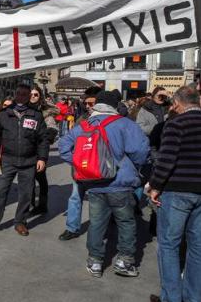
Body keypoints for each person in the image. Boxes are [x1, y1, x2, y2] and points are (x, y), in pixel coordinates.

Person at [60, 90, 149, 278]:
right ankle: (124, 261)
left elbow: (63, 147)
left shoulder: (83, 125)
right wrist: (130, 166)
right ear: (114, 106)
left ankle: (95, 262)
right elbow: (141, 151)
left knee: (96, 223)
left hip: (94, 184)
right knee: (126, 222)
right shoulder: (126, 124)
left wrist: (80, 165)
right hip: (121, 184)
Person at [148, 86, 201, 302]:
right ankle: (193, 297)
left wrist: (155, 187)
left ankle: (171, 297)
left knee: (169, 245)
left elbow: (166, 159)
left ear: (177, 104)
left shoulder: (175, 124)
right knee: (197, 248)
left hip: (177, 190)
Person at [0, 85, 48, 236]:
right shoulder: (4, 113)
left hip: (29, 161)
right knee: (0, 191)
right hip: (8, 160)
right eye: (19, 93)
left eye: (25, 94)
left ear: (28, 96)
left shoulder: (35, 115)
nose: (21, 96)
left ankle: (20, 222)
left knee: (26, 194)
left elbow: (43, 139)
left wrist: (42, 158)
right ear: (15, 95)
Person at [58, 86, 102, 241]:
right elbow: (67, 143)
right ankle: (72, 227)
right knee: (75, 197)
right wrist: (75, 161)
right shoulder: (81, 120)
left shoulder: (107, 120)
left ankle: (99, 230)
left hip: (100, 169)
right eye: (86, 103)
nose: (88, 106)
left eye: (92, 103)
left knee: (98, 201)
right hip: (80, 168)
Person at [28, 85, 60, 215]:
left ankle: (42, 205)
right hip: (25, 150)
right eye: (31, 94)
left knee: (40, 178)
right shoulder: (23, 108)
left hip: (39, 150)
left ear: (40, 96)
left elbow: (52, 130)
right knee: (28, 179)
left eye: (36, 94)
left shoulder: (45, 112)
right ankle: (29, 205)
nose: (33, 97)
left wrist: (40, 137)